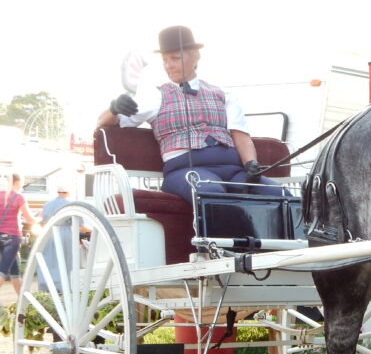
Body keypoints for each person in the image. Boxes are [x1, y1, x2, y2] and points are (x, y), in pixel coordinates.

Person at [96, 25, 281, 205]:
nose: (168, 66)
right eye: (165, 60)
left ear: (195, 56)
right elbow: (104, 123)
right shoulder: (155, 96)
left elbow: (241, 136)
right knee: (211, 192)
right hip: (185, 171)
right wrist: (114, 109)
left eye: (175, 58)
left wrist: (251, 164)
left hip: (233, 171)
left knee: (278, 193)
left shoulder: (223, 95)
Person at [0, 172, 39, 295]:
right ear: (17, 183)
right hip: (12, 237)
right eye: (21, 184)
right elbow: (30, 219)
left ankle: (22, 305)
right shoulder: (19, 197)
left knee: (15, 272)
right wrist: (40, 218)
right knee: (3, 270)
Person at [38, 182, 74, 292]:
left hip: (49, 233)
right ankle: (63, 286)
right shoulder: (69, 204)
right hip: (64, 233)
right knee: (64, 259)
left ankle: (46, 285)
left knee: (49, 259)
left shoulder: (47, 204)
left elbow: (42, 220)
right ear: (67, 192)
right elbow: (77, 222)